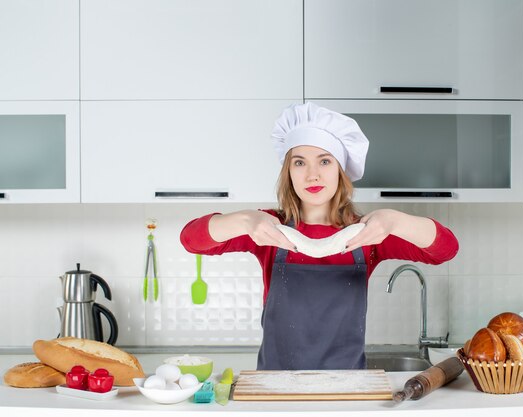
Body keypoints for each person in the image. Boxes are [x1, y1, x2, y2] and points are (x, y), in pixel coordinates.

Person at [180, 102, 458, 370]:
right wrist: (244, 219)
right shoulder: (267, 229)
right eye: (300, 163)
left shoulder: (369, 233)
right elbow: (191, 240)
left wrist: (396, 221)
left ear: (340, 169)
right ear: (288, 172)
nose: (312, 175)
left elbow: (446, 249)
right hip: (276, 389)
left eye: (324, 161)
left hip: (346, 391)